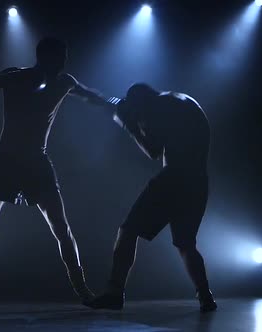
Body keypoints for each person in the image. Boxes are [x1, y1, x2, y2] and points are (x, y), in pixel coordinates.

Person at [0, 37, 117, 311]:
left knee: (61, 228)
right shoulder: (17, 76)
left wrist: (118, 104)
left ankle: (83, 291)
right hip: (5, 160)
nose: (64, 61)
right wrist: (15, 77)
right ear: (45, 57)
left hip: (36, 163)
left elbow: (93, 96)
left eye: (65, 56)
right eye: (60, 56)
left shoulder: (64, 82)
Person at [86, 83, 217, 312]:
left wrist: (128, 124)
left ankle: (114, 293)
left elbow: (153, 150)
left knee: (127, 231)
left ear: (141, 102)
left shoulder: (159, 107)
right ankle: (206, 296)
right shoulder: (179, 99)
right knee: (186, 244)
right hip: (197, 182)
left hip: (173, 179)